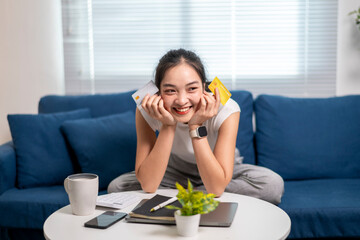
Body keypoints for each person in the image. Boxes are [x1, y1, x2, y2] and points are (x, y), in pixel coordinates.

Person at [108, 48, 284, 205]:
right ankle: (197, 198)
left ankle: (178, 199)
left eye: (192, 89)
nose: (182, 100)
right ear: (158, 92)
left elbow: (216, 187)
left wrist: (196, 125)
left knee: (271, 185)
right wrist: (168, 125)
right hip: (172, 170)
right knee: (117, 187)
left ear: (204, 87)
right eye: (170, 90)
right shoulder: (147, 110)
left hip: (219, 168)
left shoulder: (228, 108)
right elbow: (148, 184)